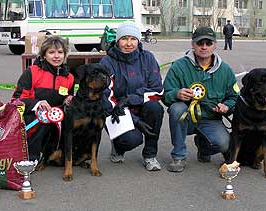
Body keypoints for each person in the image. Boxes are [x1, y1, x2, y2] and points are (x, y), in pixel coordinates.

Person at [162, 26, 239, 172]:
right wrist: (176, 94)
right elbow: (165, 95)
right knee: (177, 109)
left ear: (215, 45)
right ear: (193, 44)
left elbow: (235, 97)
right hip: (187, 117)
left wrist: (227, 107)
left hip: (211, 118)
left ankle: (203, 145)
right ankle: (179, 156)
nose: (204, 47)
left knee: (224, 144)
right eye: (200, 43)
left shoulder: (226, 70)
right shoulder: (178, 66)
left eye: (208, 43)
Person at [100, 21, 164, 171]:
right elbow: (106, 98)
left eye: (133, 39)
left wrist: (130, 99)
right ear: (117, 40)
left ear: (138, 40)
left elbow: (157, 90)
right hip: (116, 110)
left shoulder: (148, 58)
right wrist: (134, 120)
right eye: (124, 38)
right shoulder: (107, 61)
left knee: (155, 108)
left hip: (140, 105)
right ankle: (118, 147)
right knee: (132, 139)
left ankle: (150, 155)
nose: (129, 43)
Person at [13, 36, 75, 161]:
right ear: (44, 55)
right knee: (43, 118)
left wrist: (68, 99)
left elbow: (68, 95)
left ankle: (69, 154)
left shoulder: (69, 77)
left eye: (60, 52)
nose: (56, 56)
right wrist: (37, 103)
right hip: (32, 116)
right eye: (51, 52)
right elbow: (16, 100)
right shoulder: (31, 72)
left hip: (57, 117)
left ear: (65, 55)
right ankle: (32, 158)